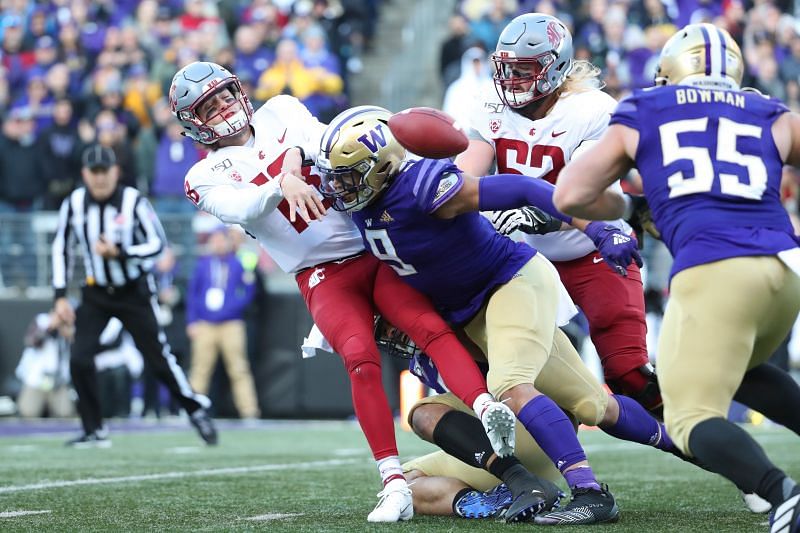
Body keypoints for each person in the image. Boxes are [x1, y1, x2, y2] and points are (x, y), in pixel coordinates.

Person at [170, 61, 517, 523]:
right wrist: (283, 180)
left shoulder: (281, 109)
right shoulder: (204, 175)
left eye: (224, 96)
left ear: (239, 91)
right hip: (321, 274)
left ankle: (486, 406)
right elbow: (243, 206)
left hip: (371, 245)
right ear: (194, 124)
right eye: (209, 106)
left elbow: (324, 142)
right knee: (359, 356)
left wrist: (294, 158)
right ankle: (392, 481)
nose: (223, 108)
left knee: (428, 327)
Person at [317, 106, 684, 526]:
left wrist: (596, 227)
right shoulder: (370, 227)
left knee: (540, 392)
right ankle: (524, 484)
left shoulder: (422, 188)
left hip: (509, 282)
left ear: (380, 167)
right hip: (483, 342)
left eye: (346, 176)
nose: (337, 188)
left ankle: (591, 491)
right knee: (418, 457)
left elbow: (524, 189)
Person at [552, 23, 800, 533]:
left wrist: (636, 207)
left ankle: (783, 496)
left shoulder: (645, 108)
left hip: (715, 270)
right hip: (785, 268)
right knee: (745, 370)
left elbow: (569, 196)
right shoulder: (768, 110)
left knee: (688, 418)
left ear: (668, 72)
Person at [456, 12, 661, 414]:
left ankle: (694, 435)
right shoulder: (486, 103)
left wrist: (540, 215)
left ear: (556, 67)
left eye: (524, 69)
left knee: (628, 372)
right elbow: (467, 176)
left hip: (594, 247)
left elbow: (584, 191)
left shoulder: (591, 109)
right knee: (511, 369)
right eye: (507, 68)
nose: (511, 79)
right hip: (525, 259)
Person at [51, 143, 217, 447]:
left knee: (158, 358)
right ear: (85, 174)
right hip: (96, 293)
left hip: (134, 291)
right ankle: (94, 430)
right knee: (79, 359)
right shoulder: (74, 203)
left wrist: (121, 253)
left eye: (105, 171)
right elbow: (61, 249)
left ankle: (195, 410)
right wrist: (60, 296)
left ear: (116, 172)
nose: (100, 178)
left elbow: (157, 245)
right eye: (94, 172)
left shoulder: (133, 201)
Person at [186, 226, 260, 420]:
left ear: (229, 242)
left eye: (222, 240)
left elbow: (248, 291)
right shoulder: (203, 264)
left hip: (231, 323)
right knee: (200, 368)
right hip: (205, 324)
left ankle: (249, 411)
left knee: (239, 368)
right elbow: (192, 294)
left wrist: (232, 308)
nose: (218, 244)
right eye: (215, 240)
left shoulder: (238, 263)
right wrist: (192, 321)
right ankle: (193, 410)